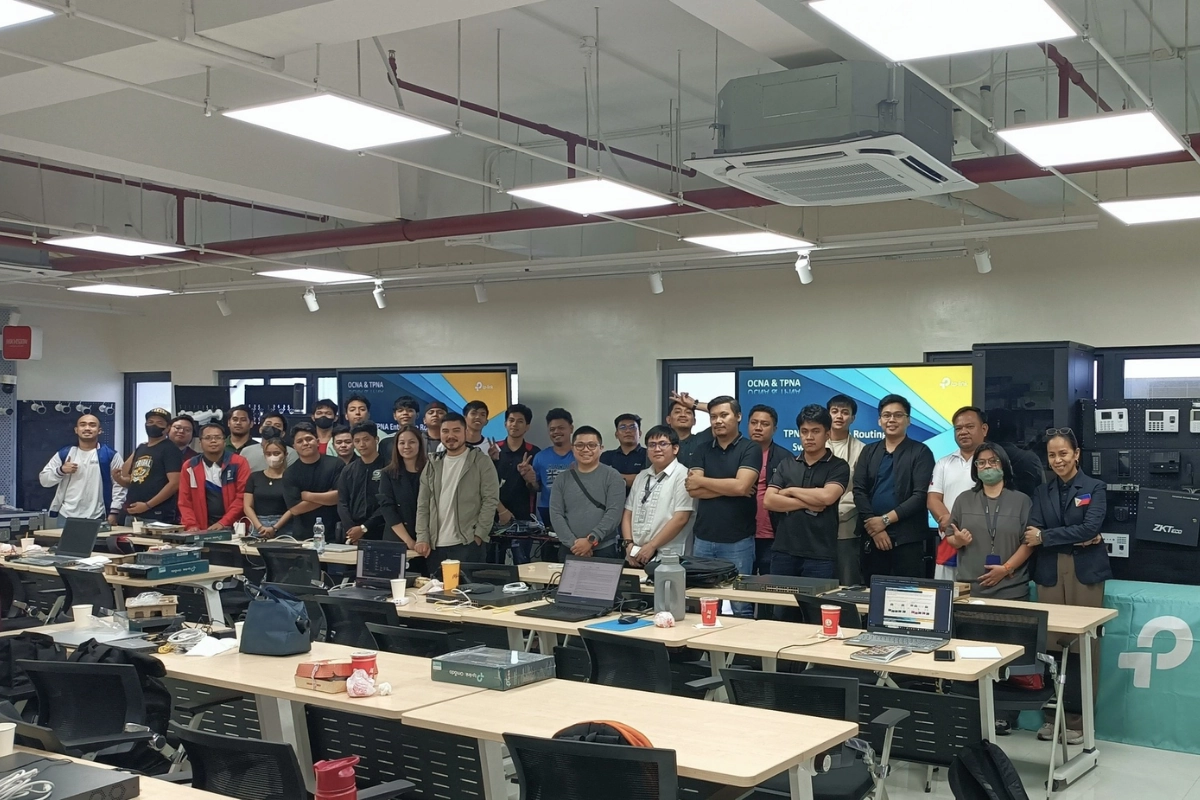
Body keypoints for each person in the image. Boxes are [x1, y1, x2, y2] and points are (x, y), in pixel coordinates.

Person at [1024, 428, 1109, 745]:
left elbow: (1090, 527)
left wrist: (1047, 537)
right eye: (1051, 454)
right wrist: (1067, 534)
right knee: (1049, 647)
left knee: (1083, 646)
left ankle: (1078, 721)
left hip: (1085, 571)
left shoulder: (1095, 488)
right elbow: (1031, 530)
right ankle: (1051, 718)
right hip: (1048, 571)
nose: (1057, 459)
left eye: (1063, 453)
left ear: (1076, 454)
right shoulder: (1042, 491)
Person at [685, 396, 760, 617]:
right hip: (704, 539)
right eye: (713, 416)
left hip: (738, 540)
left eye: (724, 415)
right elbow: (693, 489)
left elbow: (741, 486)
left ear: (737, 416)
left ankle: (742, 653)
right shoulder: (701, 449)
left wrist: (705, 482)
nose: (718, 421)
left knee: (740, 605)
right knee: (705, 604)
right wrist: (733, 486)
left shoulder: (750, 448)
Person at [763, 405, 850, 584]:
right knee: (781, 610)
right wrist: (808, 502)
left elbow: (827, 497)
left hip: (821, 555)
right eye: (804, 431)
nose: (809, 437)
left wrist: (790, 491)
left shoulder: (838, 466)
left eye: (815, 431)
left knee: (816, 611)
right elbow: (769, 500)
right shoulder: (787, 464)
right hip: (784, 552)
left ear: (827, 434)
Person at [853, 394, 936, 580]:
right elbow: (859, 490)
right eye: (886, 415)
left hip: (907, 539)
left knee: (905, 596)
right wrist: (875, 527)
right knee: (872, 595)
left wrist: (885, 520)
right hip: (872, 535)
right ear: (879, 421)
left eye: (898, 415)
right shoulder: (869, 451)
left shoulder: (921, 452)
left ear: (908, 420)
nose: (891, 419)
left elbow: (920, 495)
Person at [415, 412, 499, 575]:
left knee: (469, 597)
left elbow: (490, 500)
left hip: (468, 544)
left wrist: (479, 534)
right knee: (437, 597)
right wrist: (422, 537)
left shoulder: (481, 461)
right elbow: (423, 504)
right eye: (445, 431)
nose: (450, 436)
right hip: (435, 547)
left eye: (456, 430)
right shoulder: (432, 463)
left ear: (466, 432)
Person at [947, 442, 1033, 600]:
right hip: (970, 590)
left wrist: (1006, 569)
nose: (987, 466)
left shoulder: (1021, 501)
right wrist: (958, 541)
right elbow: (951, 537)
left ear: (1004, 465)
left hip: (1012, 589)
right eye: (981, 462)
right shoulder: (963, 499)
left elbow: (1029, 543)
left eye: (993, 461)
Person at [928, 407, 989, 581]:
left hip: (982, 542)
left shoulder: (994, 462)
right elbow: (933, 500)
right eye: (958, 428)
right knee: (946, 598)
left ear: (983, 429)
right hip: (950, 540)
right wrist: (951, 523)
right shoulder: (944, 463)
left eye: (969, 427)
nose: (963, 432)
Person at [621, 425, 693, 565]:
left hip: (667, 555)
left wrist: (652, 546)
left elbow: (681, 518)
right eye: (652, 445)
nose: (657, 449)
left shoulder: (683, 475)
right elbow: (628, 513)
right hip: (634, 553)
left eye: (663, 444)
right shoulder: (642, 476)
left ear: (675, 448)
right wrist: (628, 544)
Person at [550, 427, 625, 559]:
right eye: (580, 445)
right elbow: (556, 514)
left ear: (601, 448)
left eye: (591, 445)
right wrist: (575, 544)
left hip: (604, 548)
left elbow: (614, 513)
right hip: (570, 548)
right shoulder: (562, 479)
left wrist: (590, 540)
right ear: (573, 448)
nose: (585, 450)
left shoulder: (613, 476)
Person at [39, 413, 125, 525]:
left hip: (98, 515)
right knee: (66, 543)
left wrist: (114, 512)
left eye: (92, 425)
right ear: (76, 430)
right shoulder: (64, 454)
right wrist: (61, 470)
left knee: (96, 543)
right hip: (66, 515)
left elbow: (120, 485)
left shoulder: (110, 455)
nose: (87, 428)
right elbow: (44, 481)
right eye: (83, 425)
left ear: (99, 430)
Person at [178, 422, 251, 532]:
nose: (213, 441)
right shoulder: (190, 466)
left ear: (224, 441)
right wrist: (191, 525)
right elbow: (184, 501)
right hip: (200, 528)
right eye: (208, 438)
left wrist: (223, 522)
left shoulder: (239, 462)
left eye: (217, 437)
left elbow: (242, 497)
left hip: (234, 526)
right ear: (200, 443)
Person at [747, 404, 792, 575]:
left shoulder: (785, 458)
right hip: (741, 535)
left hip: (774, 535)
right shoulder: (738, 452)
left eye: (764, 424)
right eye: (754, 422)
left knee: (771, 589)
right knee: (740, 588)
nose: (758, 427)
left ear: (775, 429)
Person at [827, 394, 866, 586]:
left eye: (845, 412)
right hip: (815, 526)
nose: (839, 416)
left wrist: (837, 509)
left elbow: (860, 489)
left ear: (853, 418)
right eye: (834, 411)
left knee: (847, 579)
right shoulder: (815, 445)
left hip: (846, 523)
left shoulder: (862, 450)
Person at [119, 408, 183, 524]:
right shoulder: (142, 448)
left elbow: (175, 483)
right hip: (132, 512)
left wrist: (148, 505)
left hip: (156, 514)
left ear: (168, 428)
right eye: (150, 422)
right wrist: (118, 478)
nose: (153, 425)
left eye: (159, 423)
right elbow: (129, 478)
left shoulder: (170, 449)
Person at [282, 422, 345, 539]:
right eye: (300, 441)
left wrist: (307, 496)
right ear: (294, 446)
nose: (305, 443)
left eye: (309, 439)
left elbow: (339, 496)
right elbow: (295, 509)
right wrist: (327, 496)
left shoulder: (336, 464)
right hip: (303, 535)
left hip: (334, 533)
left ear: (317, 441)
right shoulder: (290, 473)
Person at [378, 425, 428, 573]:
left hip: (426, 541)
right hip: (397, 539)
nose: (406, 446)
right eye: (401, 442)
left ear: (420, 444)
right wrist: (408, 541)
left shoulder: (430, 470)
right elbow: (388, 509)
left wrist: (423, 539)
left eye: (412, 442)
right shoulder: (388, 473)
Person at [336, 422, 388, 543]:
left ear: (376, 439)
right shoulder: (348, 470)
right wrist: (352, 531)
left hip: (381, 530)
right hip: (353, 533)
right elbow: (342, 502)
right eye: (357, 441)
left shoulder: (389, 467)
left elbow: (389, 503)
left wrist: (364, 528)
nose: (362, 444)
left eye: (366, 439)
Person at [495, 403, 541, 525]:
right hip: (495, 517)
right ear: (505, 424)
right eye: (511, 420)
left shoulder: (535, 452)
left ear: (527, 426)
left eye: (520, 421)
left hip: (524, 518)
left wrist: (530, 481)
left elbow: (536, 488)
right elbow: (485, 487)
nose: (514, 424)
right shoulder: (494, 450)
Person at [532, 408, 576, 526]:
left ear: (571, 429)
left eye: (561, 428)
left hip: (576, 511)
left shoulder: (581, 455)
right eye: (552, 429)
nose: (556, 432)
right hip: (548, 511)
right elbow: (537, 488)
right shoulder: (540, 457)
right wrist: (530, 481)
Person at [243, 437, 294, 537]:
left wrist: (275, 527)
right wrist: (260, 527)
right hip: (257, 526)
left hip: (284, 527)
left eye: (276, 453)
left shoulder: (292, 477)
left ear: (285, 454)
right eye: (268, 454)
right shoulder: (254, 477)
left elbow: (293, 507)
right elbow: (247, 506)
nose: (272, 457)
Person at [600, 414, 647, 492]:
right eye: (622, 427)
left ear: (640, 433)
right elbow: (601, 480)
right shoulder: (606, 456)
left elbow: (647, 481)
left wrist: (612, 477)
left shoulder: (649, 454)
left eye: (632, 427)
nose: (628, 431)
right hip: (612, 501)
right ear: (616, 434)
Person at [666, 393, 703, 468]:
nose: (683, 415)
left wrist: (694, 404)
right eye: (677, 412)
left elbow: (722, 412)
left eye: (688, 412)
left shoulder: (701, 440)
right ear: (668, 420)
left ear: (694, 421)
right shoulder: (659, 445)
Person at [380, 395, 420, 463]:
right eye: (400, 411)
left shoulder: (425, 438)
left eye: (409, 410)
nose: (405, 413)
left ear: (417, 415)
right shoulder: (385, 442)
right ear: (394, 416)